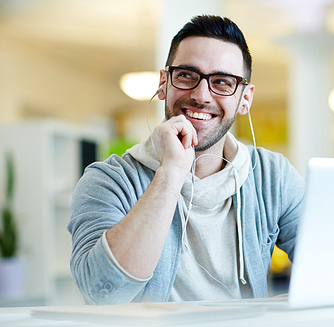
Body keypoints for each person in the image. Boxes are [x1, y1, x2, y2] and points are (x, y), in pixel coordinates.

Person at [68, 15, 304, 305]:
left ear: (245, 99)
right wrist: (172, 171)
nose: (201, 95)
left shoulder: (273, 175)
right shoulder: (107, 181)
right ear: (163, 83)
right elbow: (102, 293)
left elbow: (332, 262)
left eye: (222, 81)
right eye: (186, 75)